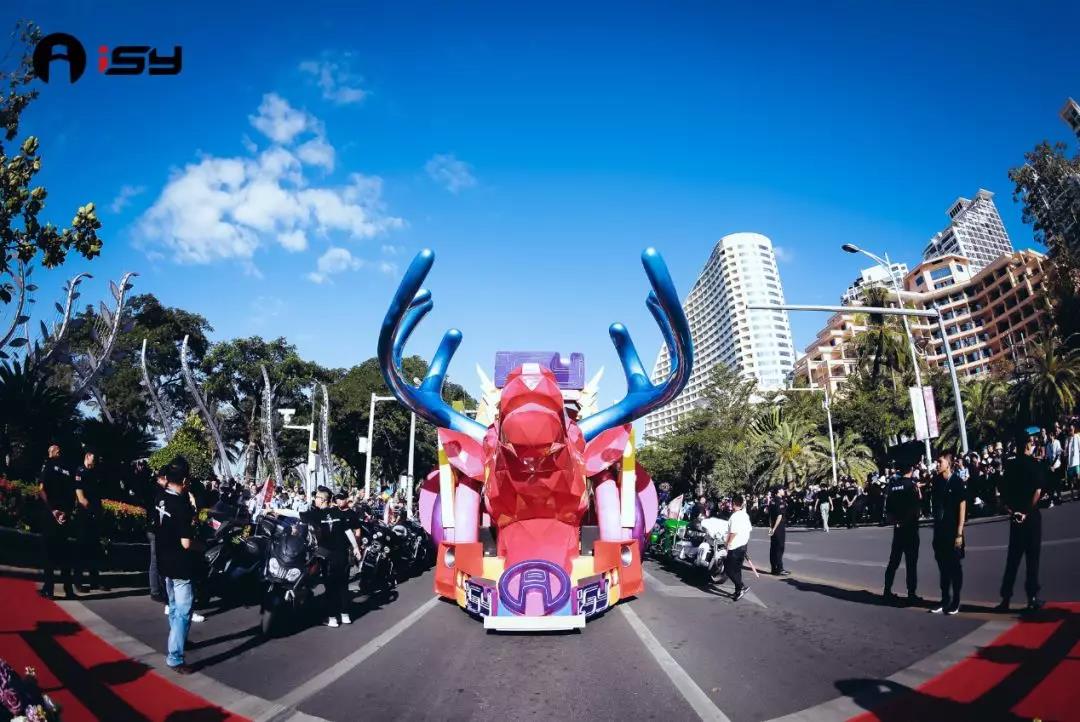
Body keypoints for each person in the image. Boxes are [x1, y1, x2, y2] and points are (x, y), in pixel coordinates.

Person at [155, 458, 199, 674]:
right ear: (184, 480)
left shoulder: (160, 497)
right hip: (180, 564)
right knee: (183, 611)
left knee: (173, 607)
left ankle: (178, 638)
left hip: (164, 561)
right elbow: (186, 543)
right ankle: (175, 657)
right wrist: (203, 546)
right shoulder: (181, 506)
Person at [996, 427, 1046, 612]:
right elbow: (1038, 491)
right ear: (1027, 444)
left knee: (1013, 560)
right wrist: (1026, 512)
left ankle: (1005, 599)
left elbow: (1002, 495)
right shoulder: (1034, 464)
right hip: (1030, 517)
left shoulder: (1010, 466)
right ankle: (1032, 597)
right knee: (1032, 559)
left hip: (1016, 518)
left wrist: (1013, 512)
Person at [303, 487, 362, 627]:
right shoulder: (338, 512)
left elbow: (294, 514)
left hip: (328, 556)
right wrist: (355, 548)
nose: (315, 500)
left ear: (323, 500)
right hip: (342, 555)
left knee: (330, 587)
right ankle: (345, 615)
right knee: (343, 585)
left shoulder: (317, 514)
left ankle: (332, 618)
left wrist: (275, 510)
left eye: (317, 497)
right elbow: (348, 532)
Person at [883, 444, 923, 605]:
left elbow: (888, 511)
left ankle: (887, 590)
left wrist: (897, 523)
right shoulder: (911, 486)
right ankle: (911, 594)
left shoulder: (892, 486)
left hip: (898, 529)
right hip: (910, 529)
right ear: (911, 469)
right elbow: (915, 510)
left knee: (893, 561)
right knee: (911, 563)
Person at [37, 443, 76, 599]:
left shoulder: (48, 465)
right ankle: (68, 589)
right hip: (64, 516)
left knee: (48, 553)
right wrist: (66, 513)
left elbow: (41, 489)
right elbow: (73, 494)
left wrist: (53, 510)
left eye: (50, 451)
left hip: (51, 514)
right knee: (65, 553)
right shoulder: (69, 469)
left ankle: (49, 589)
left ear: (53, 453)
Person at [929, 450, 966, 615]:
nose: (937, 464)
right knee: (942, 567)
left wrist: (959, 533)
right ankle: (945, 600)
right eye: (937, 462)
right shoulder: (936, 481)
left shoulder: (957, 482)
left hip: (953, 531)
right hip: (940, 531)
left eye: (940, 462)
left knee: (955, 567)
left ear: (949, 464)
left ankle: (956, 601)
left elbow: (962, 508)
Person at [73, 450, 104, 592]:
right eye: (93, 458)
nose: (95, 461)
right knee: (81, 547)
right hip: (84, 514)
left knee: (94, 548)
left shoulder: (95, 472)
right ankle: (78, 581)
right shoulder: (80, 471)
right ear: (87, 457)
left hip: (94, 513)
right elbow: (80, 494)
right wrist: (87, 507)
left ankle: (95, 581)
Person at [144, 466, 169, 603]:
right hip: (155, 529)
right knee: (155, 560)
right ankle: (155, 590)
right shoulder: (159, 492)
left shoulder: (152, 489)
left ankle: (157, 588)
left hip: (152, 528)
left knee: (156, 559)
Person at [724, 494, 752, 601]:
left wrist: (727, 544)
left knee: (728, 569)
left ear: (734, 504)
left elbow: (733, 532)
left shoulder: (734, 517)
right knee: (737, 569)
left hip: (735, 547)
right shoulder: (745, 515)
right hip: (743, 546)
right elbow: (749, 529)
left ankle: (741, 586)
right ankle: (738, 591)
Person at [767, 487, 789, 575]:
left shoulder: (771, 501)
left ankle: (773, 568)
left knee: (773, 548)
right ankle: (780, 569)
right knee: (780, 548)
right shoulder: (780, 501)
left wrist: (771, 527)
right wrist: (774, 528)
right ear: (778, 491)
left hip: (773, 526)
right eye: (782, 490)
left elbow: (770, 516)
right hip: (779, 527)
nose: (784, 491)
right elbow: (779, 516)